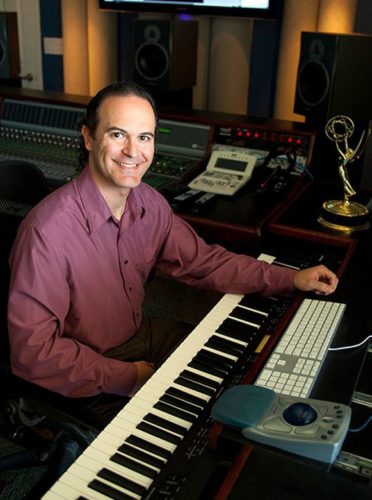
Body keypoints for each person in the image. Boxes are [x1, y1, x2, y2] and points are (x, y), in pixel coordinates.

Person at [7, 81, 338, 429]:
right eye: (118, 134)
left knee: (231, 364)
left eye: (145, 137)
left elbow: (203, 262)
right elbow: (35, 354)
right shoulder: (46, 233)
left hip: (135, 335)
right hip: (83, 369)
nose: (133, 151)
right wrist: (128, 376)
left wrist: (289, 277)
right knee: (179, 430)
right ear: (89, 138)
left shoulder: (148, 202)